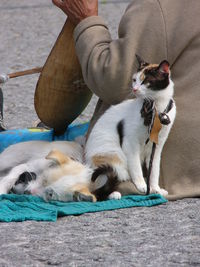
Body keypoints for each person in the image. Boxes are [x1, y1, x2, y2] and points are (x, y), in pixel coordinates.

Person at [52, 0, 200, 200]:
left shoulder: (158, 5)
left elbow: (114, 82)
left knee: (46, 162)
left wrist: (86, 20)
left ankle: (142, 183)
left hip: (178, 170)